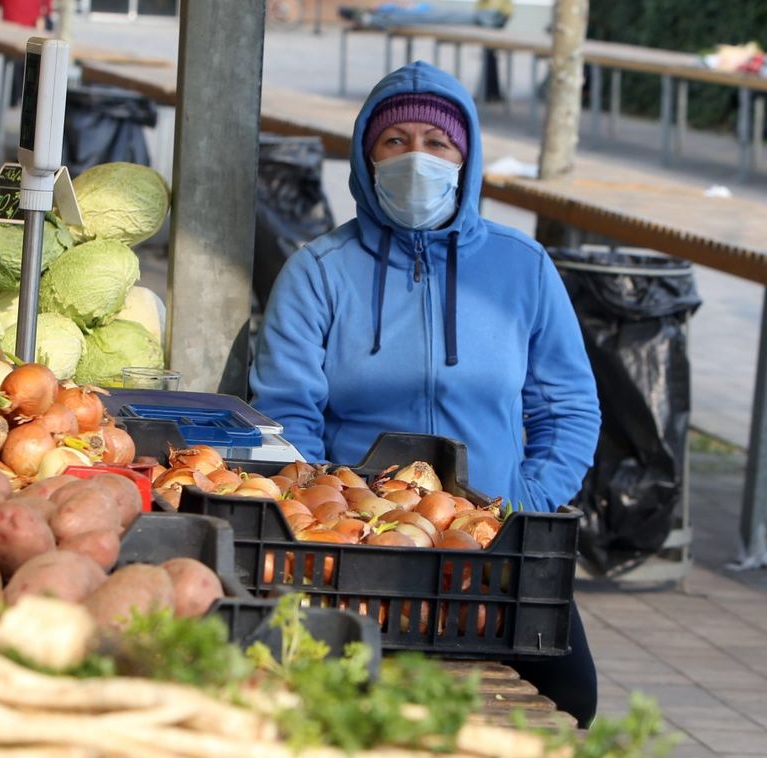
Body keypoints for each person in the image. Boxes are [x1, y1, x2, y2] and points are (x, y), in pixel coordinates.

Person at [250, 60, 600, 727]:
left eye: (436, 144)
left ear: (463, 159)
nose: (416, 158)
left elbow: (568, 406)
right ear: (365, 155)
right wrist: (336, 513)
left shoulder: (521, 268)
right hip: (356, 551)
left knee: (570, 700)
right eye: (395, 141)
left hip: (497, 547)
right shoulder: (319, 271)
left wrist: (520, 507)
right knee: (346, 713)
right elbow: (285, 411)